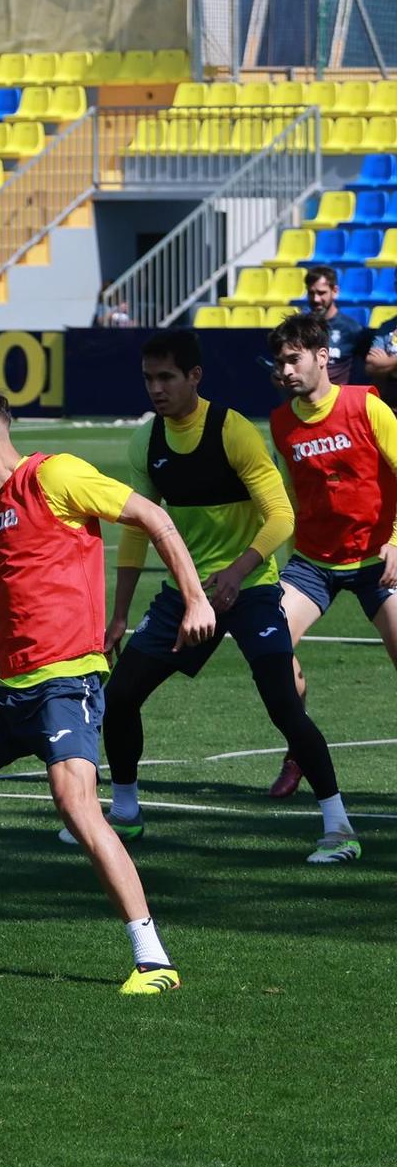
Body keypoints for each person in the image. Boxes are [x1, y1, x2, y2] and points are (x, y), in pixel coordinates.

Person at [0, 382, 212, 993]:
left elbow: (153, 516)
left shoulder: (54, 476)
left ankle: (153, 959)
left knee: (75, 804)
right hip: (3, 695)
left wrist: (194, 596)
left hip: (65, 680)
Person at [103, 331, 356, 864]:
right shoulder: (145, 442)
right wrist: (119, 613)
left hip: (251, 589)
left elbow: (281, 515)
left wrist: (239, 572)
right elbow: (134, 529)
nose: (156, 388)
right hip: (186, 592)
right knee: (121, 696)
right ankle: (124, 815)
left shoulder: (231, 430)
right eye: (149, 378)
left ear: (195, 376)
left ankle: (339, 827)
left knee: (283, 703)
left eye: (167, 377)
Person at [259, 313, 397, 847]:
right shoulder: (280, 422)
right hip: (314, 562)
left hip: (375, 559)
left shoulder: (366, 404)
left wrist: (396, 540)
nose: (286, 369)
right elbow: (290, 497)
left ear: (321, 357)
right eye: (280, 361)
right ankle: (300, 740)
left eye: (294, 358)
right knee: (269, 651)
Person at [304, 265, 366, 387]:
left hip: (338, 401)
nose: (316, 299)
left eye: (321, 293)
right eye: (311, 293)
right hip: (304, 402)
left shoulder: (352, 329)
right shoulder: (300, 328)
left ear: (335, 291)